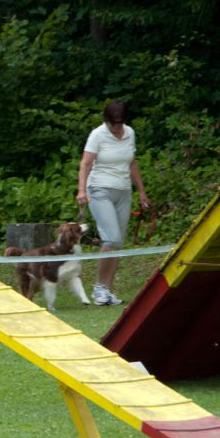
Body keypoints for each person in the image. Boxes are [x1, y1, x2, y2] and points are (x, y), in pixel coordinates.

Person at [77, 99, 150, 306]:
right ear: (107, 121)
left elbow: (132, 163)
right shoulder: (97, 135)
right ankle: (99, 289)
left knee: (118, 243)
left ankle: (106, 290)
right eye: (113, 124)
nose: (116, 128)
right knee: (111, 238)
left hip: (123, 191)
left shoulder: (129, 133)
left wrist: (142, 192)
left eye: (119, 124)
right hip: (99, 189)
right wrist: (82, 190)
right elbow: (85, 164)